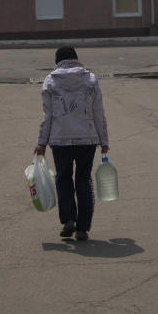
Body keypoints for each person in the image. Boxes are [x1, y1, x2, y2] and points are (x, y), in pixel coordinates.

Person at [34, 46, 109, 241]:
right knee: (83, 179)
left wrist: (41, 142)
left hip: (60, 141)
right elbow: (98, 113)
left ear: (57, 61)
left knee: (63, 178)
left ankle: (68, 220)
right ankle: (83, 228)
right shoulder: (91, 79)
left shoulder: (50, 80)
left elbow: (47, 116)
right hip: (87, 140)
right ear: (76, 59)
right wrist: (104, 140)